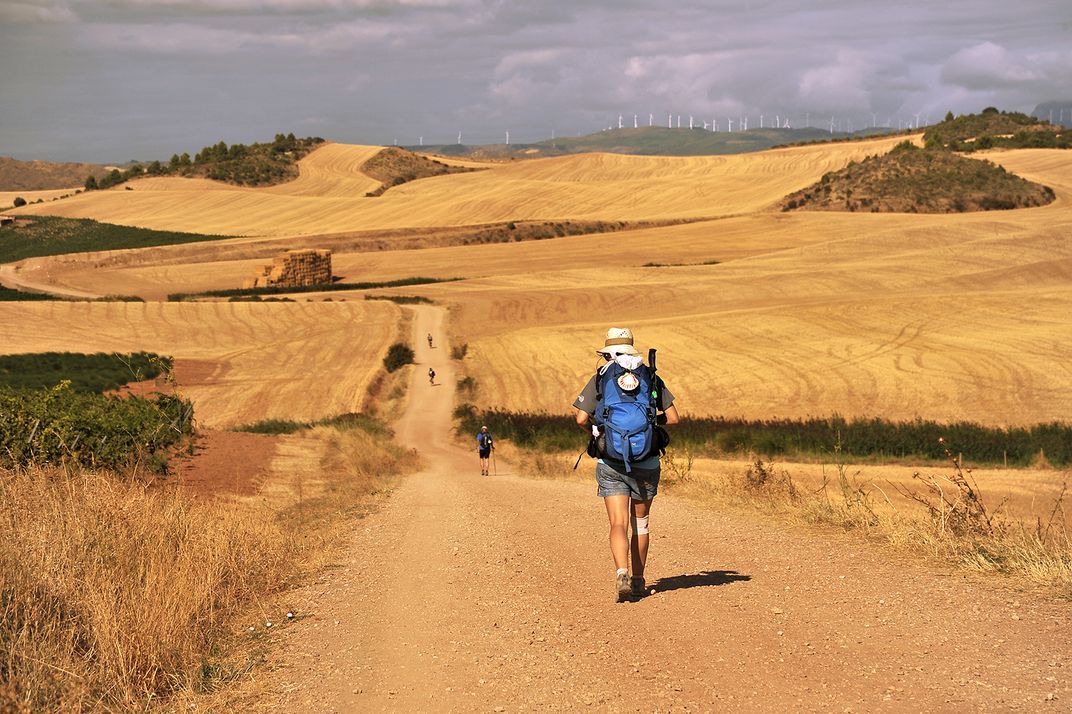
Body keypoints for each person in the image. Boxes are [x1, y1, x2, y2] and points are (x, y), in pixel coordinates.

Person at [573, 327, 679, 603]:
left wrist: (598, 434)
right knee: (640, 524)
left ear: (607, 352)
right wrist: (652, 424)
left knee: (618, 523)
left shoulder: (602, 377)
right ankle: (639, 580)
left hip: (611, 461)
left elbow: (581, 420)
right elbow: (675, 418)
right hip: (647, 461)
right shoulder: (650, 376)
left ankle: (622, 573)